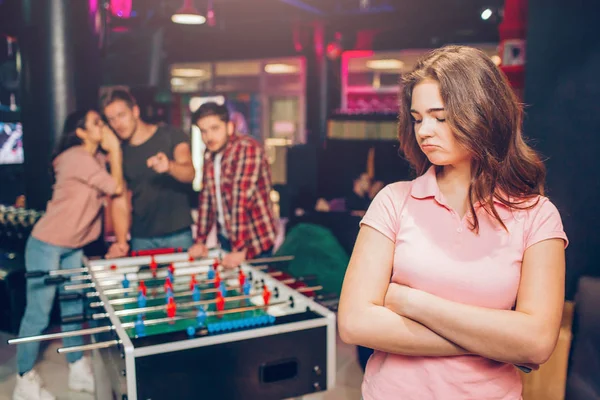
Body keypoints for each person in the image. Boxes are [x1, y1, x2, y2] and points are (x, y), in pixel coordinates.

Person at [338, 45, 568, 400]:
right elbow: (354, 323)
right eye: (417, 118)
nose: (424, 131)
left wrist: (411, 303)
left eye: (440, 117)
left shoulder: (537, 216)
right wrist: (495, 343)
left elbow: (536, 343)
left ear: (483, 113)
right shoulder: (393, 202)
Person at [14, 110, 124, 400]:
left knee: (74, 309)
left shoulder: (95, 160)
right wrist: (114, 149)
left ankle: (76, 368)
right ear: (81, 132)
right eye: (97, 124)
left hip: (73, 245)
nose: (103, 127)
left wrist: (112, 153)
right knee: (38, 312)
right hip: (47, 243)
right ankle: (23, 379)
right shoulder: (77, 156)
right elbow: (115, 186)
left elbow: (114, 185)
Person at [101, 89, 195, 256]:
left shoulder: (171, 135)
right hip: (142, 238)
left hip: (178, 234)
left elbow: (190, 173)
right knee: (145, 283)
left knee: (184, 283)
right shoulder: (119, 153)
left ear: (135, 111)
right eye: (111, 120)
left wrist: (170, 167)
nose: (118, 124)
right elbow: (119, 200)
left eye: (121, 115)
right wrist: (121, 242)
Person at [188, 102, 277, 268]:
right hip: (228, 238)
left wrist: (240, 249)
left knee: (257, 292)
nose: (209, 137)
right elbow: (206, 200)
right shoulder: (210, 155)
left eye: (215, 128)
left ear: (229, 127)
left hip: (255, 241)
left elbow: (240, 201)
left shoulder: (247, 148)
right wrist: (200, 241)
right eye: (204, 131)